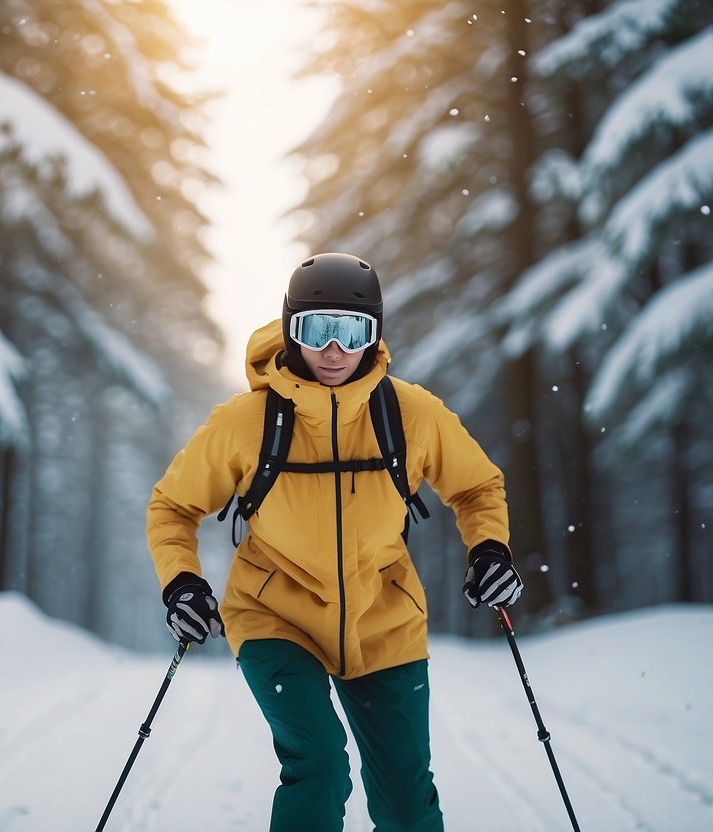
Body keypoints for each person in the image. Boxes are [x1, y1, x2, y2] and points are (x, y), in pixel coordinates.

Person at [147, 252, 523, 831]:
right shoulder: (246, 424)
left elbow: (477, 487)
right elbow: (173, 506)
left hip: (385, 619)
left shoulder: (411, 415)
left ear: (373, 335)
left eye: (351, 331)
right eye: (316, 328)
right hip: (275, 618)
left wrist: (489, 548)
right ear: (291, 327)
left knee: (405, 799)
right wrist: (182, 582)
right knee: (318, 765)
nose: (333, 350)